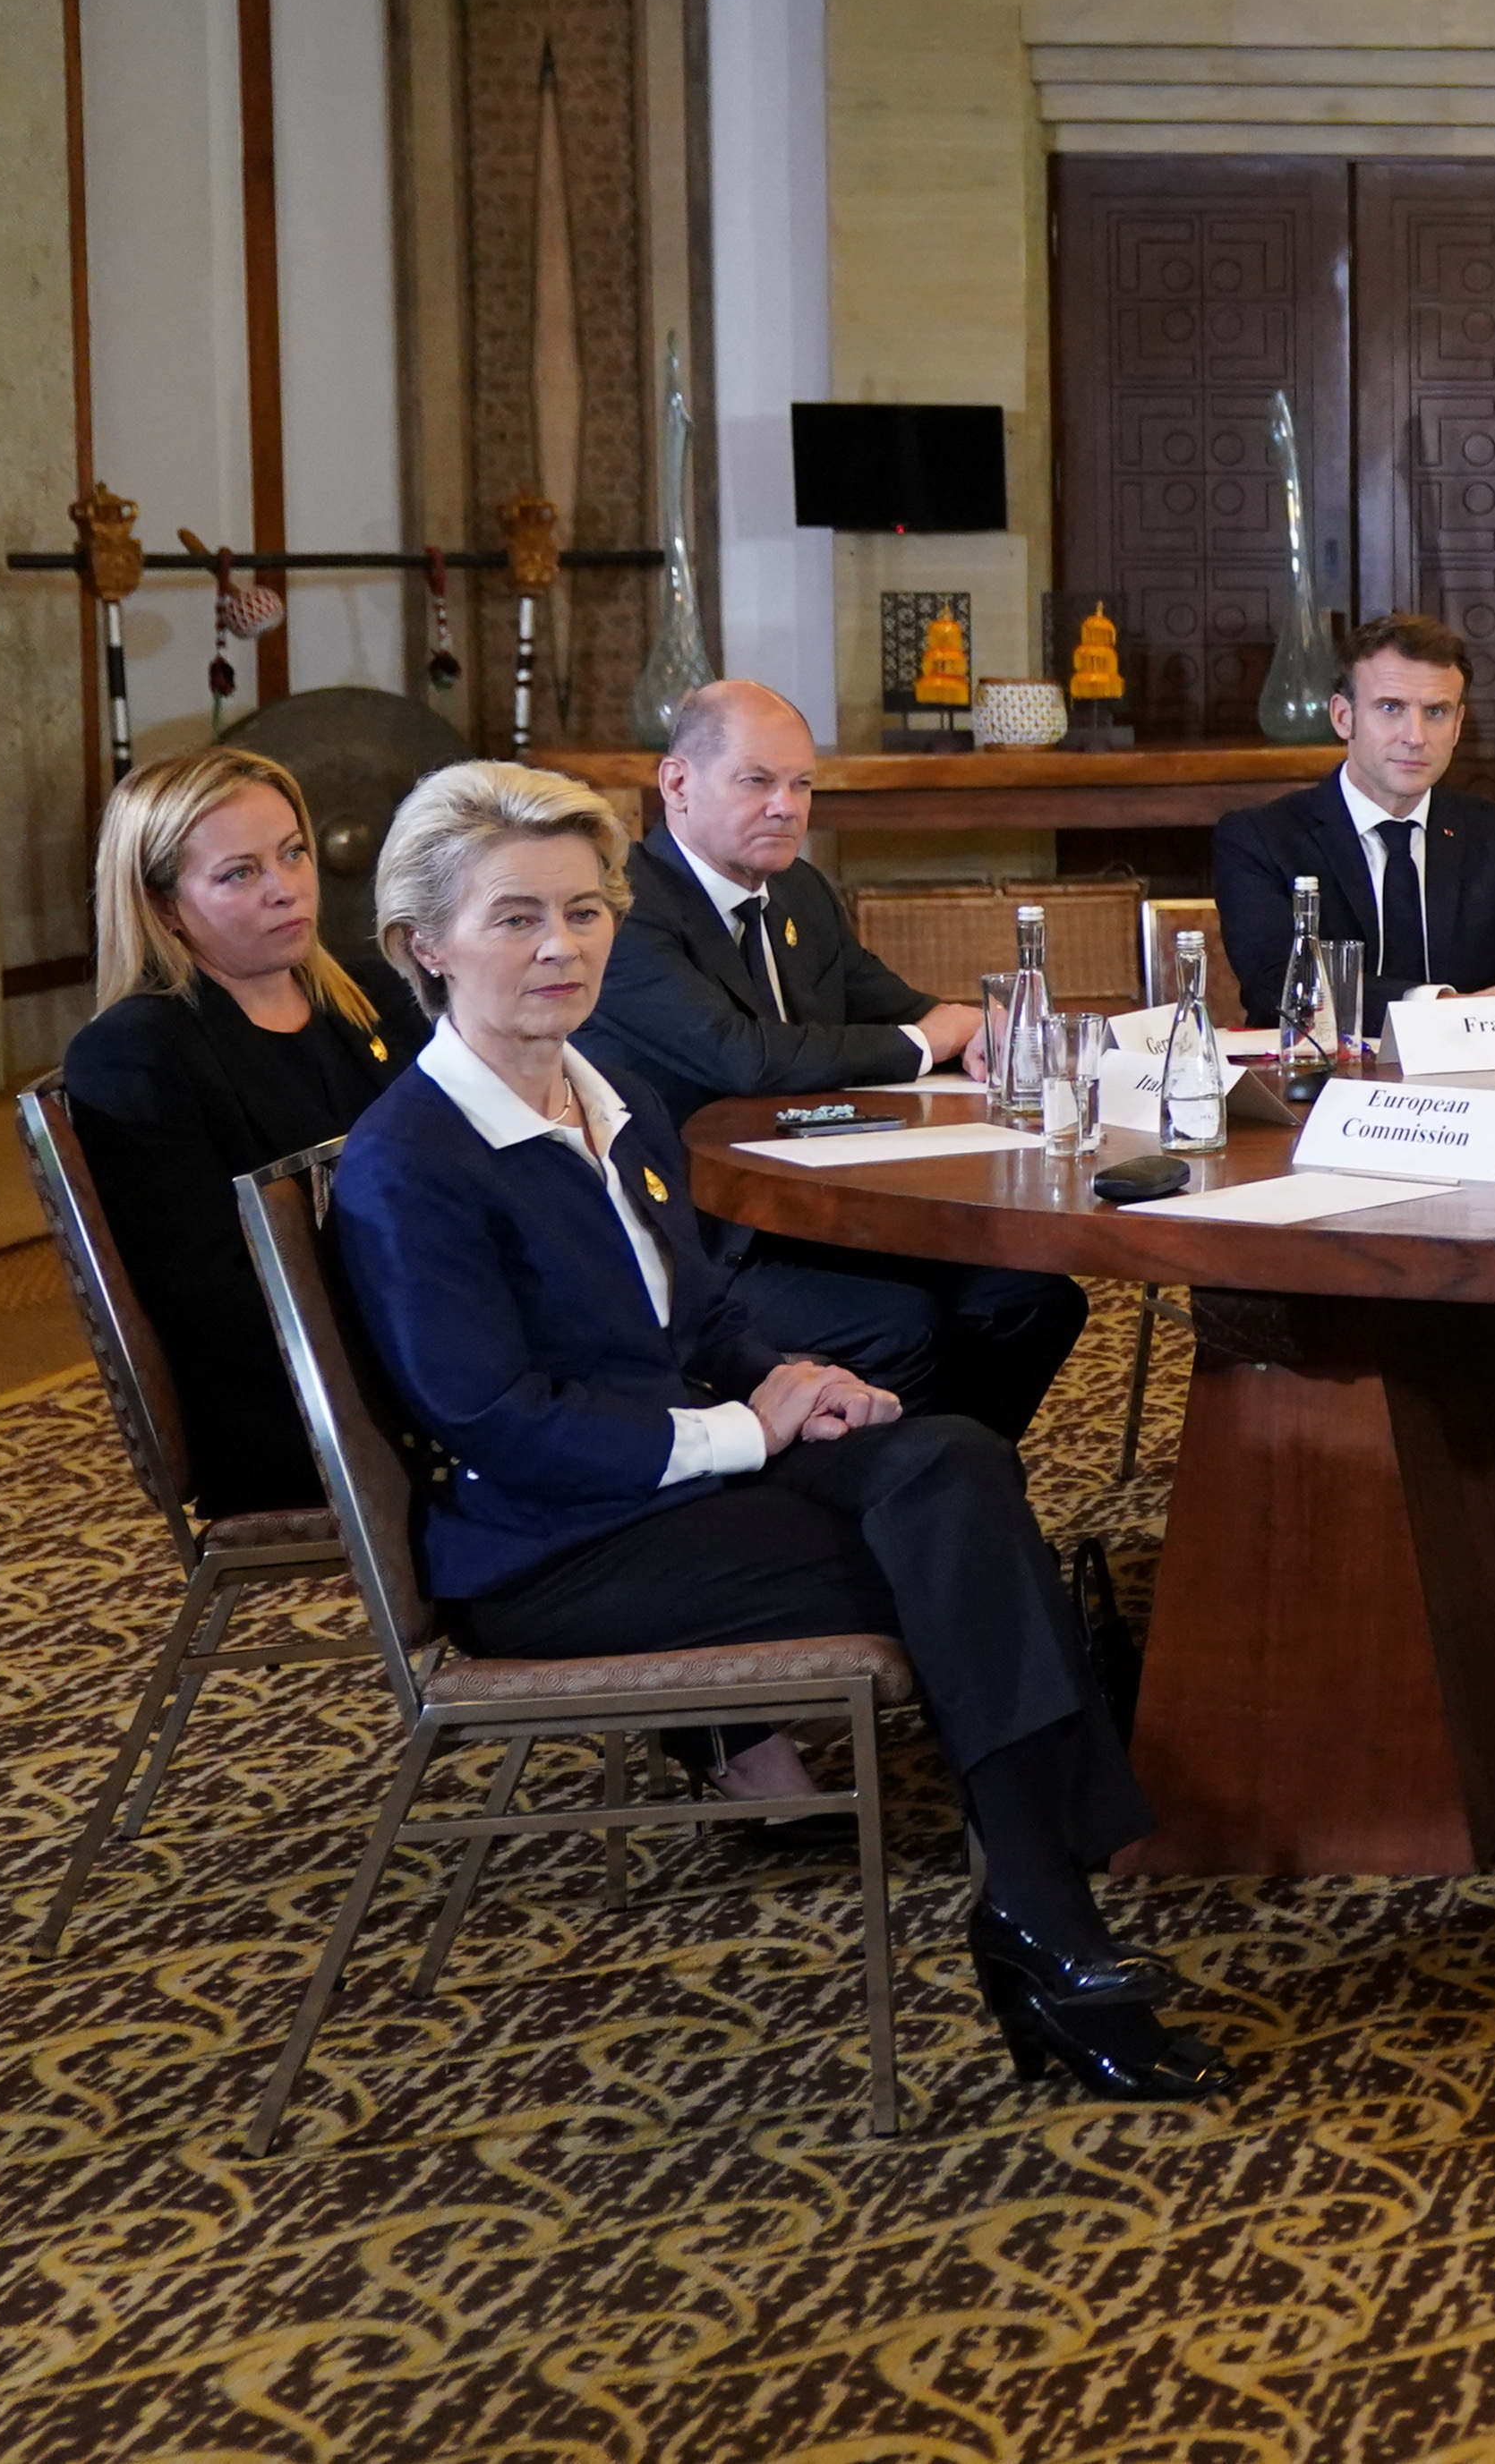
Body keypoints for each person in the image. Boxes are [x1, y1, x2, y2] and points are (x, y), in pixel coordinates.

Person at [327, 763, 1226, 2100]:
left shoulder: (595, 1092)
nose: (561, 946)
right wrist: (750, 1431)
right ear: (423, 946)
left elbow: (689, 1318)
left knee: (954, 1457)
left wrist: (793, 1373)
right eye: (514, 917)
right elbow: (499, 1424)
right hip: (551, 1553)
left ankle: (1039, 1909)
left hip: (665, 1483)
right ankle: (1049, 1913)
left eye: (583, 912)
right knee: (956, 1552)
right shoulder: (418, 1158)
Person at [580, 681, 1088, 1447]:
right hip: (703, 1234)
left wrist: (973, 1024)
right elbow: (741, 1055)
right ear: (677, 784)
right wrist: (930, 1040)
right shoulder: (626, 908)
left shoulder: (800, 893)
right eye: (758, 781)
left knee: (1032, 1298)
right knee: (900, 1325)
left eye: (802, 783)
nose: (788, 806)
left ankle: (951, 1500)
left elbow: (892, 1004)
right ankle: (880, 1518)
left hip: (822, 1202)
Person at [56, 746, 410, 1516]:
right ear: (162, 906)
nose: (286, 889)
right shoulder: (135, 1051)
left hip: (419, 1341)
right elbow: (213, 1300)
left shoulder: (370, 995)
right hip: (306, 1404)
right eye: (238, 874)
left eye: (292, 854)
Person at [1211, 611, 1495, 1036]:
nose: (1415, 736)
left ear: (1457, 726)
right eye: (1391, 708)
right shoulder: (1262, 838)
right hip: (1318, 1085)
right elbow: (1279, 986)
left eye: (1435, 712)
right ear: (1343, 717)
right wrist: (1452, 1010)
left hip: (1469, 1085)